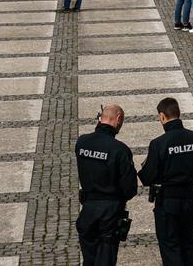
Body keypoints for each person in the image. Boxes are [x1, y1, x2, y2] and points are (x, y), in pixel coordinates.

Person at [137, 97, 193, 266]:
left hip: (167, 203)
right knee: (188, 245)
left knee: (170, 248)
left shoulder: (158, 143)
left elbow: (147, 177)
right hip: (188, 201)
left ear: (162, 116)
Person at [75, 103, 137, 266]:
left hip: (87, 210)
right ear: (118, 119)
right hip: (110, 212)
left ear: (100, 119)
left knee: (89, 259)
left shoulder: (82, 143)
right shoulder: (120, 150)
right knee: (106, 260)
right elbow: (130, 188)